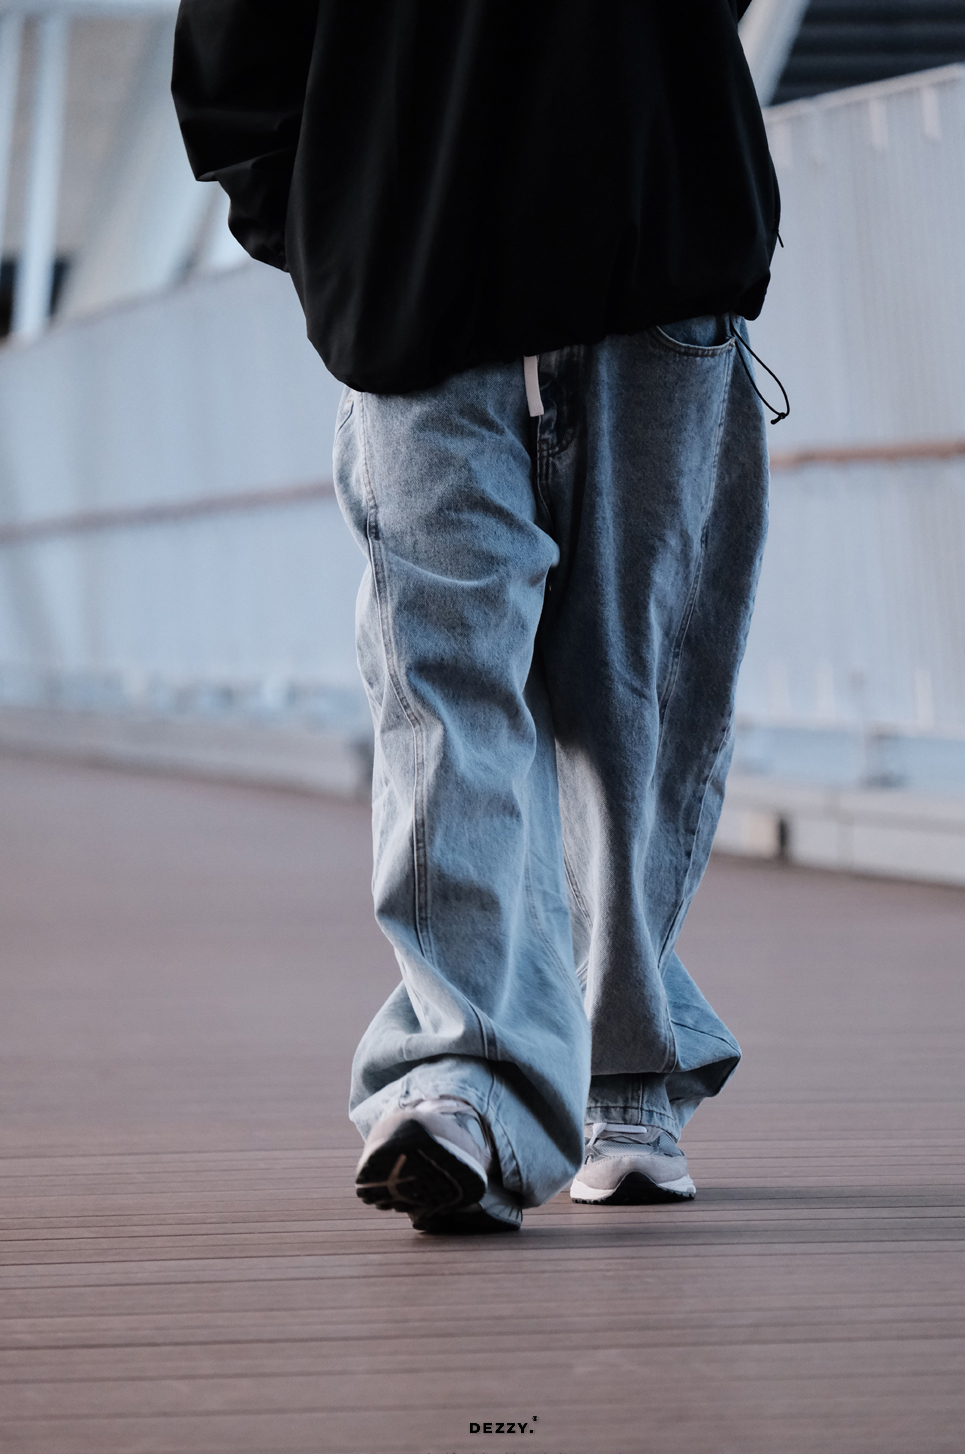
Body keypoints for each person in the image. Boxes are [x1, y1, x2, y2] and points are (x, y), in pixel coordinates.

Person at [173, 0, 780, 1235]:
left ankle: (620, 1075)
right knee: (444, 687)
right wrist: (342, 237)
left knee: (633, 714)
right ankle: (459, 1078)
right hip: (423, 295)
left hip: (653, 270)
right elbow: (232, 59)